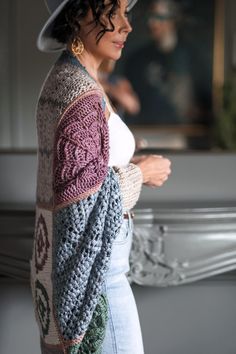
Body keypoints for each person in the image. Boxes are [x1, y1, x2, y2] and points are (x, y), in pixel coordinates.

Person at [30, 1, 171, 353]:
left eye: (128, 12)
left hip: (100, 270)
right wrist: (140, 173)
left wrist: (127, 159)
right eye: (115, 11)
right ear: (78, 13)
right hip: (96, 279)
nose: (127, 25)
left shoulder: (79, 77)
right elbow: (82, 204)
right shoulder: (74, 89)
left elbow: (83, 174)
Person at [125, 0, 195, 125]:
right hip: (145, 130)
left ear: (172, 20)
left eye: (157, 17)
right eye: (150, 17)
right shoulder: (137, 59)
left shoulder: (191, 57)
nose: (151, 23)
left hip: (183, 132)